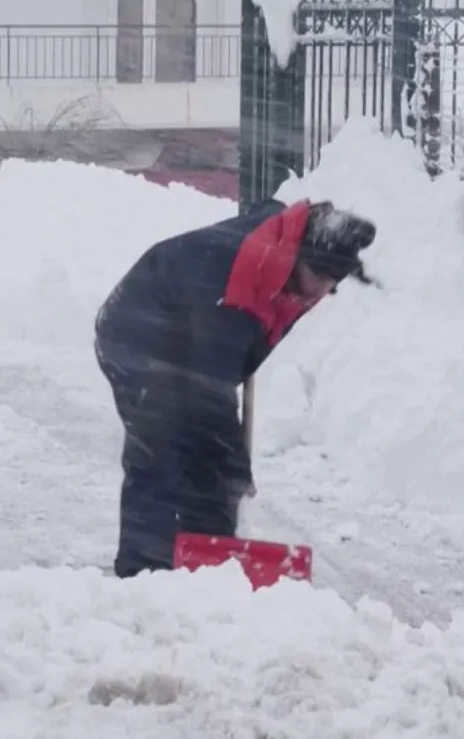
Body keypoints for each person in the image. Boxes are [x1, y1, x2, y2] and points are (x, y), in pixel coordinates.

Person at [93, 199, 376, 579]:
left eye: (332, 286)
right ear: (304, 261)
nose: (323, 293)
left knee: (208, 462)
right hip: (137, 332)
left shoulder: (286, 255)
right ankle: (144, 574)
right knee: (161, 450)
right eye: (322, 281)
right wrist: (237, 467)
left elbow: (265, 209)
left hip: (191, 335)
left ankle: (208, 567)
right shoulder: (241, 279)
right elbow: (211, 392)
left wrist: (225, 465)